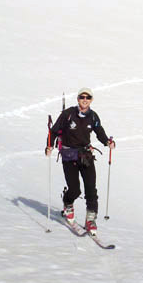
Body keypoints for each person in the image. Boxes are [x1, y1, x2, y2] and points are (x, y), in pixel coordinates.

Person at [46, 87, 115, 234]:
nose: (85, 100)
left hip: (85, 155)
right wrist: (49, 146)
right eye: (82, 97)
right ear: (78, 99)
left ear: (91, 100)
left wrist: (107, 142)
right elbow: (53, 131)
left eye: (88, 97)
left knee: (91, 188)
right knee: (75, 189)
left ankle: (90, 220)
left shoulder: (93, 116)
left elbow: (99, 130)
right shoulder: (68, 114)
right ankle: (68, 203)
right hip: (69, 156)